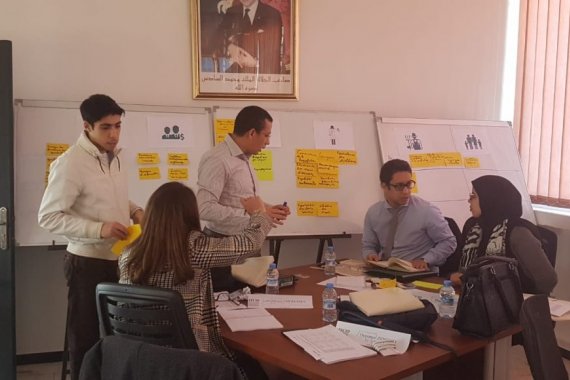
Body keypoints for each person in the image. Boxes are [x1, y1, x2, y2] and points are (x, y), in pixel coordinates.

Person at [119, 181, 272, 380]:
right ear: (189, 214)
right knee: (252, 368)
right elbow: (249, 243)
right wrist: (259, 212)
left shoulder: (129, 253)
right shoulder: (194, 248)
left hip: (140, 357)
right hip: (190, 358)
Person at [38, 94, 143, 380]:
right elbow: (48, 216)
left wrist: (134, 210)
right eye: (106, 127)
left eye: (118, 126)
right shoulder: (71, 163)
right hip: (86, 263)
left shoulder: (115, 157)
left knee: (115, 335)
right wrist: (99, 229)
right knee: (84, 339)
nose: (114, 134)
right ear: (87, 126)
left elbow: (108, 195)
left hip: (118, 260)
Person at [197, 105, 290, 290]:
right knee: (227, 311)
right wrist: (255, 214)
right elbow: (204, 207)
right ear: (252, 133)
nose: (268, 141)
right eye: (266, 135)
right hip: (223, 247)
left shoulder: (243, 159)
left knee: (253, 306)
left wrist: (269, 208)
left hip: (247, 243)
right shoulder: (218, 159)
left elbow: (242, 199)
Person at [450, 175, 557, 294]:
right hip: (475, 297)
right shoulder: (473, 226)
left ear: (490, 199)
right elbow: (466, 269)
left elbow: (547, 280)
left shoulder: (517, 232)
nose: (469, 201)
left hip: (514, 302)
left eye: (473, 196)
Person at [362, 159, 456, 270]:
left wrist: (426, 259)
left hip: (417, 275)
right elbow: (368, 246)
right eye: (399, 186)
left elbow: (449, 241)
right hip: (385, 272)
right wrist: (370, 255)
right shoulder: (373, 213)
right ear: (384, 186)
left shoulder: (427, 210)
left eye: (409, 184)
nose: (406, 191)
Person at [213, 0, 283, 74]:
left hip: (263, 74)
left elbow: (276, 50)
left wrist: (256, 63)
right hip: (235, 75)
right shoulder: (231, 11)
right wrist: (229, 47)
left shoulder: (272, 14)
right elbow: (217, 37)